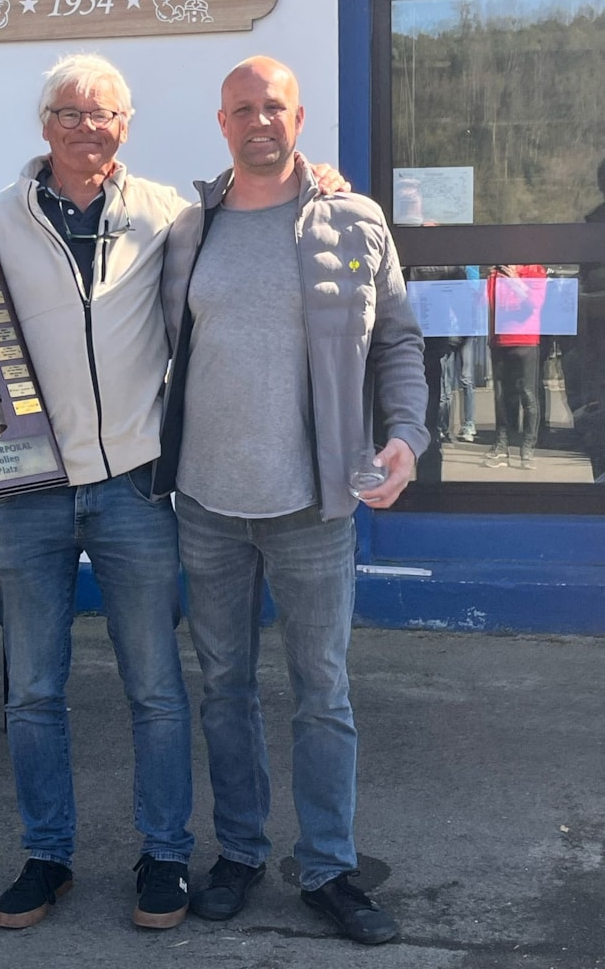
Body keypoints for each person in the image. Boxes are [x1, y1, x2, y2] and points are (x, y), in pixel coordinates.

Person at [0, 51, 347, 932]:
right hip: (28, 489)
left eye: (104, 115)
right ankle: (47, 855)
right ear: (44, 124)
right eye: (70, 113)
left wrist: (322, 181)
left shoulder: (172, 215)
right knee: (32, 691)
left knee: (157, 688)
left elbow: (260, 197)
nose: (87, 129)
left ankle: (163, 854)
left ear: (127, 126)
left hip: (136, 485)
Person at [156, 56, 429, 945]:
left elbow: (398, 341)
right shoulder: (189, 230)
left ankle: (329, 869)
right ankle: (239, 853)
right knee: (224, 689)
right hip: (206, 503)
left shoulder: (354, 220)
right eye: (242, 108)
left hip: (315, 505)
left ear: (299, 117)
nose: (259, 120)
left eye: (273, 106)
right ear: (222, 122)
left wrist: (407, 435)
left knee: (323, 694)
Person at [484, 264, 546, 471]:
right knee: (502, 396)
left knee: (528, 395)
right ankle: (502, 444)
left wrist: (514, 280)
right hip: (500, 340)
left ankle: (527, 448)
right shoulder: (496, 272)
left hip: (526, 340)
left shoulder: (534, 270)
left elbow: (535, 303)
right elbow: (487, 304)